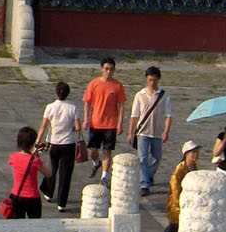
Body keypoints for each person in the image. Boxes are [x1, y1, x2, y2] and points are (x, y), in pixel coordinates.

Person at [6, 126, 49, 232]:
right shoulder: (35, 160)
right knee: (34, 228)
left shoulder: (13, 157)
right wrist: (37, 156)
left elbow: (20, 161)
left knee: (18, 229)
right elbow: (49, 174)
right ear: (33, 143)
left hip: (16, 197)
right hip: (33, 198)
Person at [128, 65, 171, 196]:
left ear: (158, 80)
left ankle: (149, 174)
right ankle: (144, 184)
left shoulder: (164, 95)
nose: (152, 82)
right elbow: (134, 115)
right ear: (146, 79)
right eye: (150, 79)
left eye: (155, 80)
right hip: (142, 132)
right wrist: (131, 132)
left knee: (157, 158)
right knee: (142, 158)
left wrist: (166, 131)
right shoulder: (139, 95)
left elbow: (169, 115)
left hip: (157, 132)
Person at [39, 81, 82, 211]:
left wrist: (37, 141)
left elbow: (43, 126)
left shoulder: (50, 107)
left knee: (52, 169)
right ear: (68, 93)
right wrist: (71, 129)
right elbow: (78, 127)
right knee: (66, 174)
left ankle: (48, 192)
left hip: (54, 143)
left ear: (56, 92)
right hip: (68, 144)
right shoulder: (73, 108)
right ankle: (62, 203)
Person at [84, 57, 127, 186]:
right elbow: (87, 102)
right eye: (106, 69)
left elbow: (121, 105)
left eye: (111, 69)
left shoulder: (117, 86)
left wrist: (120, 123)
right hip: (95, 122)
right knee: (93, 150)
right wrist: (86, 119)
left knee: (107, 151)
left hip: (110, 124)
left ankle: (104, 176)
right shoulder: (94, 84)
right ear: (102, 69)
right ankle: (96, 163)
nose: (108, 72)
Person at [166, 140, 199, 224]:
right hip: (178, 204)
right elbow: (175, 188)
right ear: (186, 154)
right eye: (193, 152)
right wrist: (179, 204)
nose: (196, 154)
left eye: (197, 152)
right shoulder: (180, 169)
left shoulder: (193, 166)